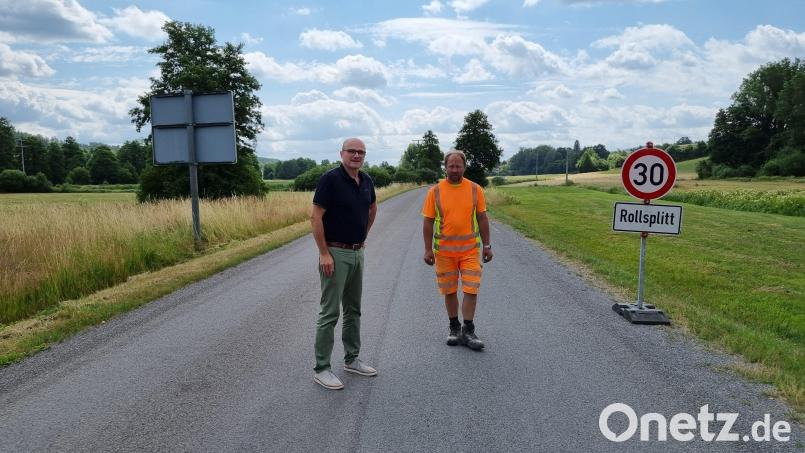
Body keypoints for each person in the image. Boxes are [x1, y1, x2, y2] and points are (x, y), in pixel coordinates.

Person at [311, 137, 378, 390]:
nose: (357, 155)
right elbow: (315, 217)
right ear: (342, 153)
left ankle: (352, 359)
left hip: (357, 252)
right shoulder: (330, 179)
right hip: (335, 253)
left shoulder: (366, 180)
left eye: (361, 152)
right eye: (352, 151)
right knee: (330, 312)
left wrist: (362, 237)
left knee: (354, 309)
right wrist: (324, 253)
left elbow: (372, 208)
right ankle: (322, 368)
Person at [422, 149, 493, 351]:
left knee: (471, 288)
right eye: (451, 166)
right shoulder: (434, 192)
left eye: (458, 166)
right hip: (444, 252)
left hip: (470, 250)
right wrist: (428, 249)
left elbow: (482, 218)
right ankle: (454, 328)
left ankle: (468, 330)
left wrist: (487, 246)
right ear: (445, 167)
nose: (454, 170)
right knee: (450, 290)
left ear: (464, 167)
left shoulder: (474, 189)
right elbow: (427, 222)